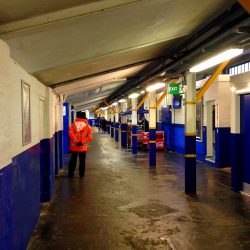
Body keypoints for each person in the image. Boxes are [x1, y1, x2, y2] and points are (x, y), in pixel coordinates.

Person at [68, 112, 93, 178]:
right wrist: (82, 142)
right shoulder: (87, 126)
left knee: (73, 159)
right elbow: (90, 136)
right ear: (85, 118)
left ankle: (71, 173)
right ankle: (81, 174)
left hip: (74, 146)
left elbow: (70, 134)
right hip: (83, 147)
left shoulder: (73, 125)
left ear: (79, 118)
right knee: (82, 160)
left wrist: (76, 142)